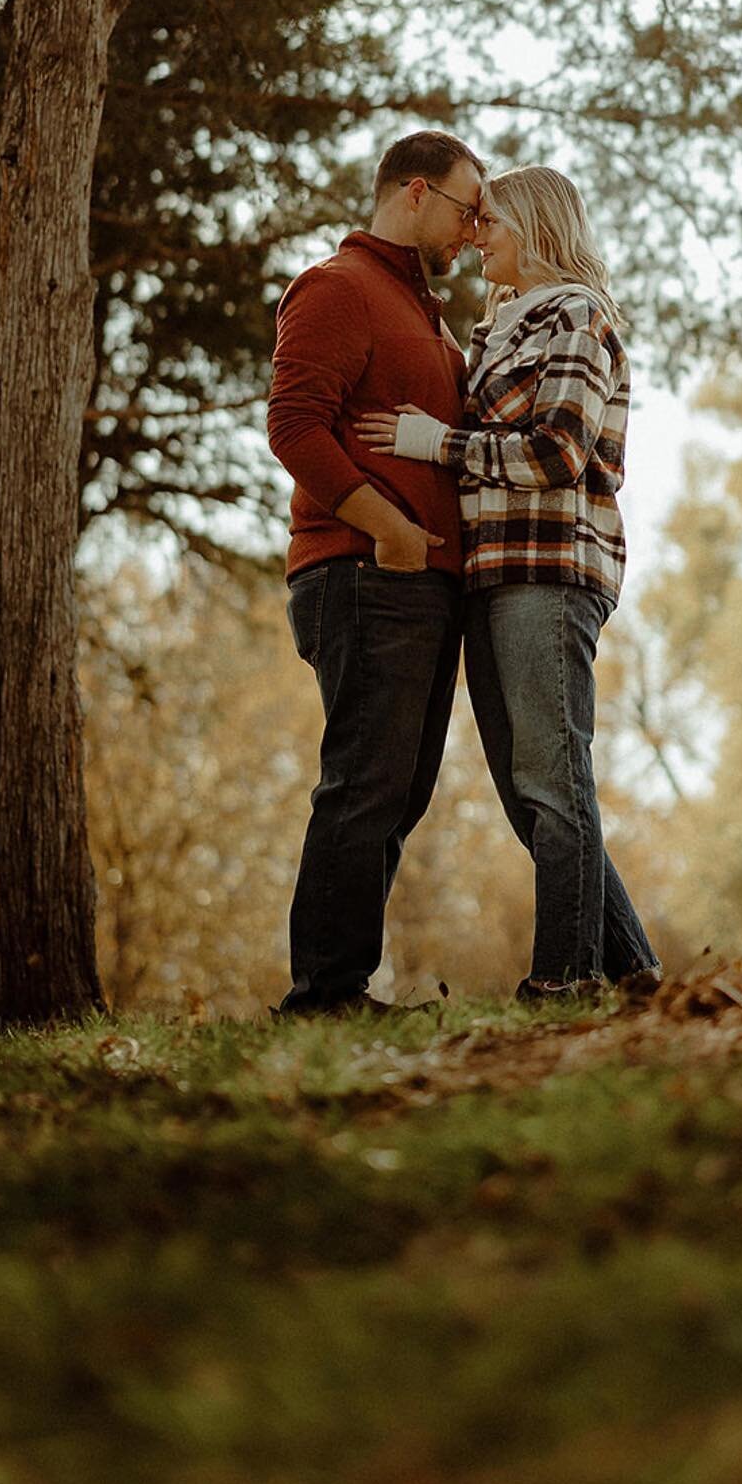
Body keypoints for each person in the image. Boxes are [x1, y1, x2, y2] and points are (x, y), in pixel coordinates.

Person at [357, 165, 661, 1000]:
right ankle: (635, 977)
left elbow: (559, 453)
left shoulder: (578, 315)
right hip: (490, 576)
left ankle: (565, 982)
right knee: (533, 793)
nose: (474, 233)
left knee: (553, 784)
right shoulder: (495, 329)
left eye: (490, 221)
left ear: (534, 227)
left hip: (551, 569)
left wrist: (437, 445)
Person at [266, 130, 485, 1017]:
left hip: (422, 587)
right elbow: (293, 427)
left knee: (398, 792)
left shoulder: (423, 312)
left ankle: (342, 985)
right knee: (364, 785)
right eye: (468, 211)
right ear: (416, 192)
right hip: (362, 574)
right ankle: (323, 994)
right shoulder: (337, 287)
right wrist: (390, 529)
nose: (473, 233)